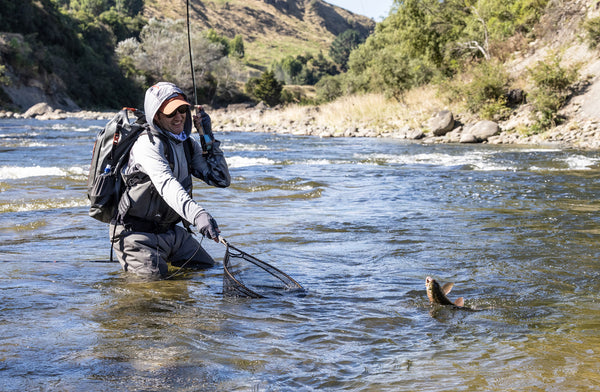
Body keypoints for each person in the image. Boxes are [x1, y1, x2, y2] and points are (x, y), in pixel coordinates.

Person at [109, 81, 231, 279]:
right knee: (154, 291)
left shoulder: (186, 144)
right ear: (156, 115)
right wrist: (198, 214)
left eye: (182, 109)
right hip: (136, 236)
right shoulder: (147, 145)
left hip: (171, 233)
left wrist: (207, 135)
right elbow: (167, 184)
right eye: (171, 112)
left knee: (210, 272)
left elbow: (221, 179)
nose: (179, 116)